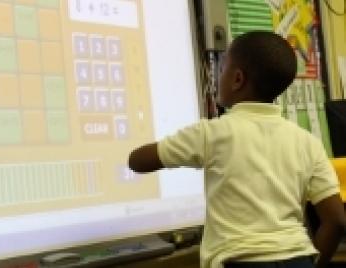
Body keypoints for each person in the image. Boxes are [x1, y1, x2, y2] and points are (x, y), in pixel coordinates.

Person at [128, 31, 346, 268]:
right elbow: (335, 220)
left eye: (221, 70)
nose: (217, 77)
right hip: (297, 259)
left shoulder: (212, 134)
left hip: (239, 261)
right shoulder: (308, 142)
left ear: (237, 79)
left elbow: (137, 161)